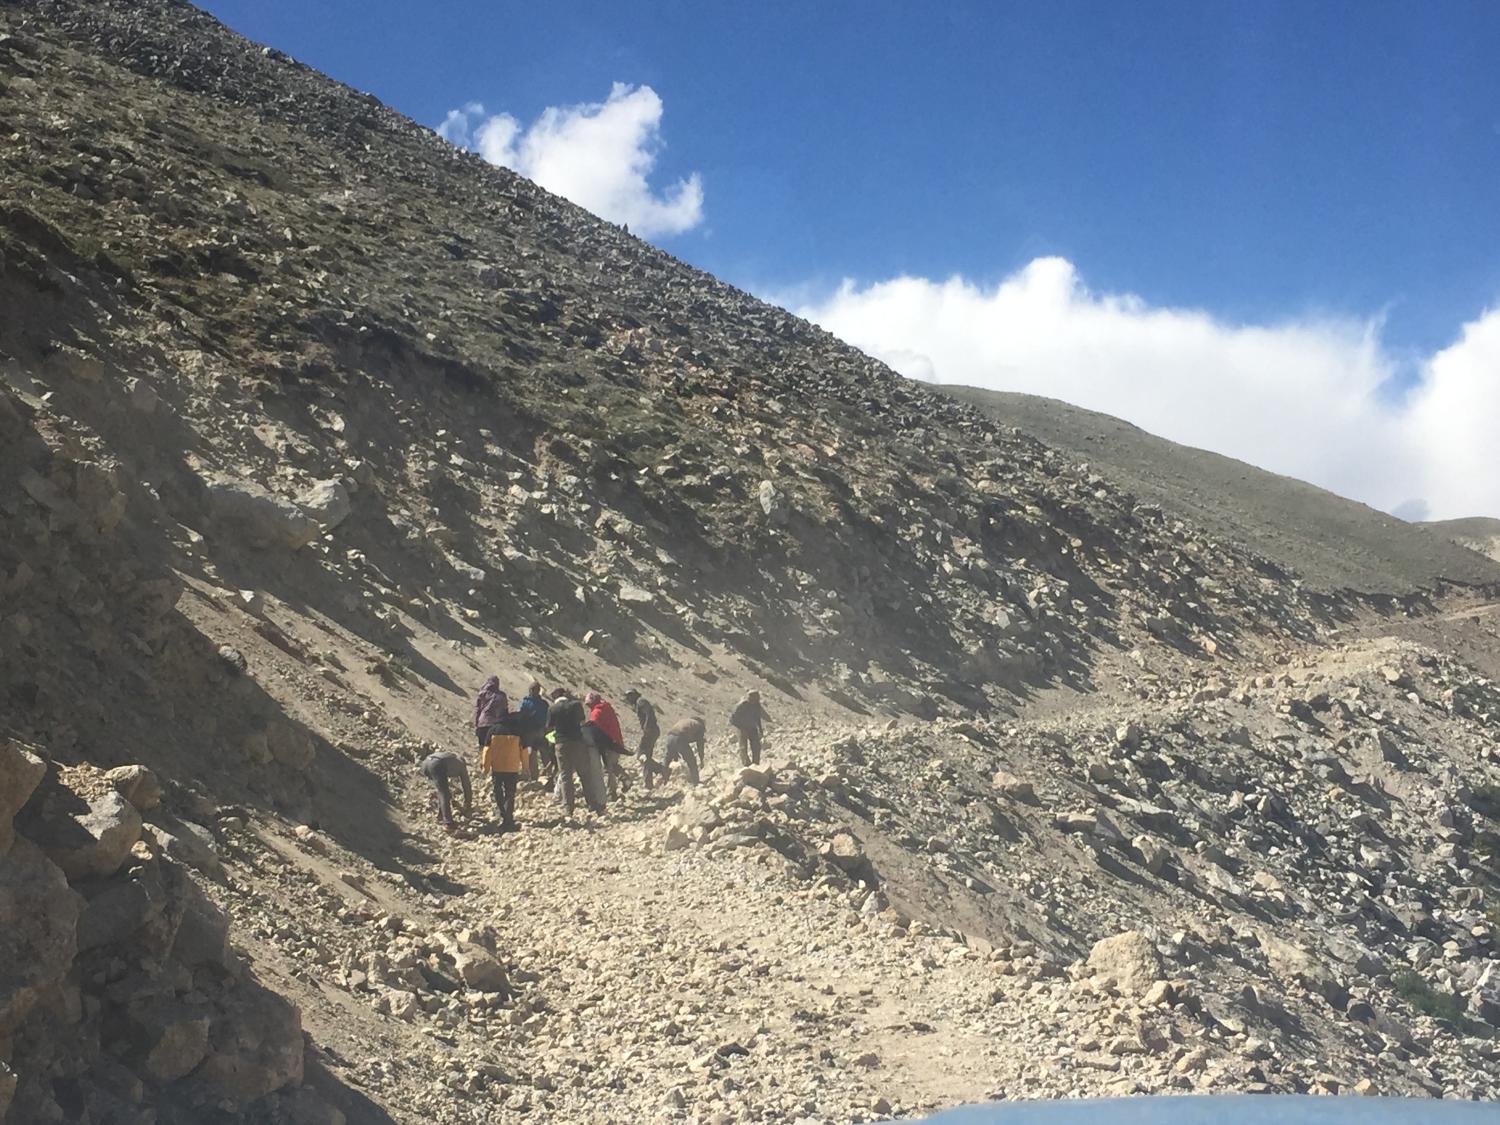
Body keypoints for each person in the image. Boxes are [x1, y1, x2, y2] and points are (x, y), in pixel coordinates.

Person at [547, 688, 606, 816]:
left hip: (561, 744)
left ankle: (569, 808)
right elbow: (582, 722)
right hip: (577, 742)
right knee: (584, 774)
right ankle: (592, 804)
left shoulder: (553, 709)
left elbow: (550, 727)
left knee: (565, 776)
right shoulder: (576, 705)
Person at [481, 709, 528, 834]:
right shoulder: (518, 731)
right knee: (510, 793)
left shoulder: (493, 730)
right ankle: (508, 819)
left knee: (497, 791)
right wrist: (525, 767)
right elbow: (523, 750)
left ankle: (501, 813)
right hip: (512, 768)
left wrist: (485, 767)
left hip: (497, 767)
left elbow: (487, 750)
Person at [584, 690, 630, 800]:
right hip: (615, 741)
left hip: (609, 743)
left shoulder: (597, 711)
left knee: (609, 767)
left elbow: (593, 726)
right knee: (611, 765)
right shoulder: (606, 708)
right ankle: (622, 781)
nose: (589, 706)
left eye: (589, 704)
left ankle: (613, 790)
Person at [419, 751, 471, 831]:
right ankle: (448, 823)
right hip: (437, 765)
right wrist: (468, 802)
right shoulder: (461, 764)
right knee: (445, 793)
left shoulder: (450, 758)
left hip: (425, 764)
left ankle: (440, 815)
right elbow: (466, 785)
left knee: (441, 791)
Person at [624, 688, 661, 790]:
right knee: (645, 757)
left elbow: (649, 713)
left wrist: (647, 727)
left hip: (651, 731)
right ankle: (649, 782)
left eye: (629, 696)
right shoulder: (638, 703)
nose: (627, 699)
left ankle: (661, 770)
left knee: (642, 755)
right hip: (651, 731)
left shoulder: (641, 701)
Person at [517, 681, 552, 784]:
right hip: (535, 731)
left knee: (538, 754)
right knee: (537, 754)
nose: (534, 691)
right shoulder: (538, 703)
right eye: (534, 689)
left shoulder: (530, 703)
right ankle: (540, 776)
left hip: (535, 732)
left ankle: (541, 776)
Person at [661, 717, 706, 784]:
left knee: (667, 760)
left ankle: (663, 780)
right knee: (691, 761)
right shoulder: (699, 726)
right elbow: (700, 744)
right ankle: (696, 782)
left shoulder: (687, 722)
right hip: (680, 738)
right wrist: (701, 759)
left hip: (669, 737)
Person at [729, 689, 769, 766]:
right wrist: (740, 727)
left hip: (752, 728)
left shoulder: (757, 705)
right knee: (743, 748)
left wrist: (760, 730)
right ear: (751, 697)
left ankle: (756, 764)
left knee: (756, 746)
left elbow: (758, 718)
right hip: (742, 728)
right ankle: (746, 764)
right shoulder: (742, 705)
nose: (757, 700)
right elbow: (732, 718)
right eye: (756, 698)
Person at [473, 676, 507, 748]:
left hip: (482, 723)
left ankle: (481, 758)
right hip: (494, 726)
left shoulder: (482, 693)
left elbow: (477, 709)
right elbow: (504, 712)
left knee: (482, 747)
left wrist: (476, 723)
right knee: (491, 748)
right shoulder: (501, 696)